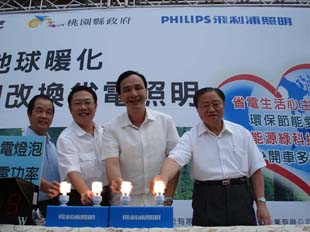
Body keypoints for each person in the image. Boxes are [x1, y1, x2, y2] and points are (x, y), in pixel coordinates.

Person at [150, 87, 272, 226]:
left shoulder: (242, 133)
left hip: (240, 196)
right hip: (206, 198)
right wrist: (163, 177)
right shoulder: (191, 137)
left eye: (216, 104)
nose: (212, 109)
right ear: (197, 110)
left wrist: (261, 204)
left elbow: (255, 169)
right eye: (205, 106)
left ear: (223, 105)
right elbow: (175, 159)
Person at [101, 70, 179, 206]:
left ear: (146, 91)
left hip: (158, 200)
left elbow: (174, 160)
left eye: (138, 88)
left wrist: (168, 198)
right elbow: (112, 162)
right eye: (127, 90)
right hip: (124, 201)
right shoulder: (111, 128)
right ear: (120, 96)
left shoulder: (165, 121)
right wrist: (117, 180)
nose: (134, 94)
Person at [57, 85, 110, 206]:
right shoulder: (65, 138)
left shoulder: (105, 133)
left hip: (107, 195)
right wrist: (85, 192)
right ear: (70, 109)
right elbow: (72, 170)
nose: (83, 107)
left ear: (95, 106)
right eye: (77, 103)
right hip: (79, 197)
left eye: (87, 102)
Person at [24, 94, 60, 217]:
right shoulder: (20, 143)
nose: (44, 116)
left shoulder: (52, 143)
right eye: (40, 111)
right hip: (31, 207)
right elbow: (17, 174)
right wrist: (40, 183)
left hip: (56, 204)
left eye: (49, 112)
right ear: (29, 114)